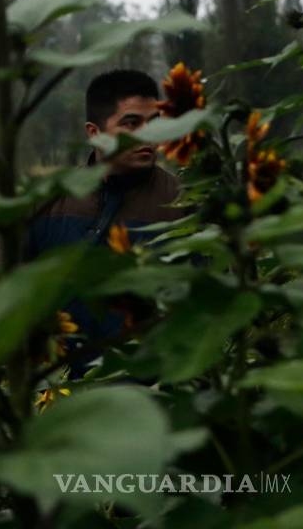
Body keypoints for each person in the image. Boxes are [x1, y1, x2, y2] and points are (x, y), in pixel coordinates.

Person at [26, 69, 186, 369]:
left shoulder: (181, 203)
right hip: (59, 393)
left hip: (149, 392)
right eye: (131, 123)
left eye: (153, 124)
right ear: (94, 133)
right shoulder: (48, 201)